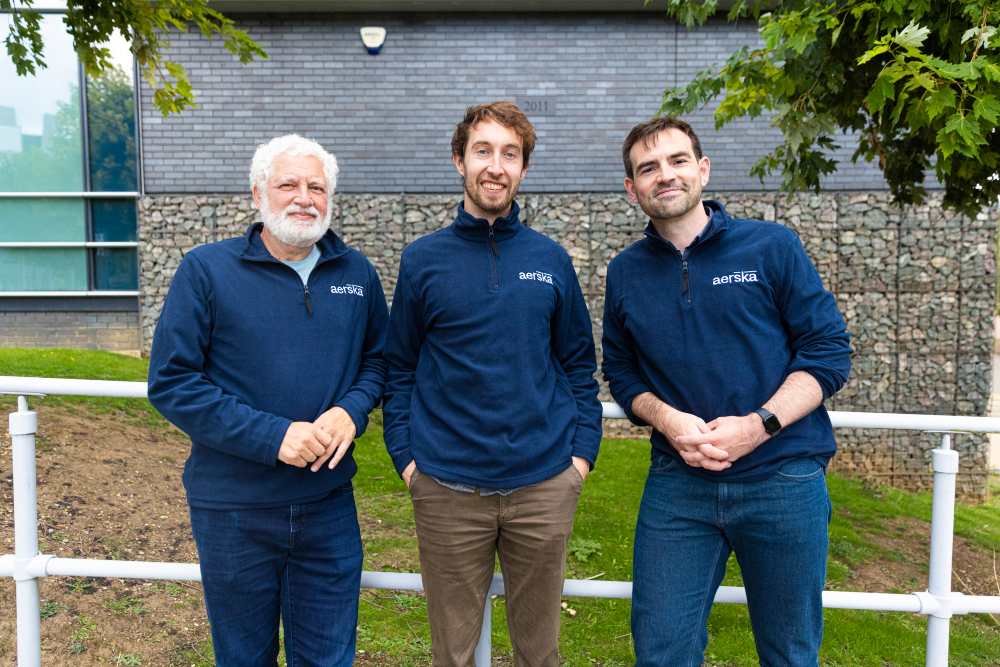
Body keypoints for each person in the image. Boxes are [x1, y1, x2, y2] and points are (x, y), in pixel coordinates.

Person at [602, 116, 851, 666]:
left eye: (677, 161)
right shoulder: (625, 273)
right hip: (678, 487)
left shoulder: (771, 247)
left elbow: (828, 352)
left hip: (783, 478)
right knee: (662, 651)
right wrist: (666, 420)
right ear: (631, 188)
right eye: (648, 168)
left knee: (789, 653)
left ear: (703, 169)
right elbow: (621, 373)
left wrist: (757, 426)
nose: (664, 176)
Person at [147, 134, 387, 666]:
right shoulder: (206, 271)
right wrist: (274, 436)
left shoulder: (356, 275)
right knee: (244, 659)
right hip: (234, 509)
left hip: (328, 505)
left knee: (327, 659)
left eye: (317, 187)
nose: (304, 197)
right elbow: (171, 381)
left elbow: (379, 361)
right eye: (288, 184)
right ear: (257, 193)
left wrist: (351, 409)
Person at [383, 101, 603, 666]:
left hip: (543, 485)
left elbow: (579, 363)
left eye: (510, 154)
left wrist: (580, 458)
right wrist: (408, 458)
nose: (496, 166)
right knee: (452, 655)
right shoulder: (423, 260)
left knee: (539, 653)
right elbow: (399, 365)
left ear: (523, 169)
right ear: (459, 159)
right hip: (447, 488)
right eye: (483, 151)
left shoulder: (550, 260)